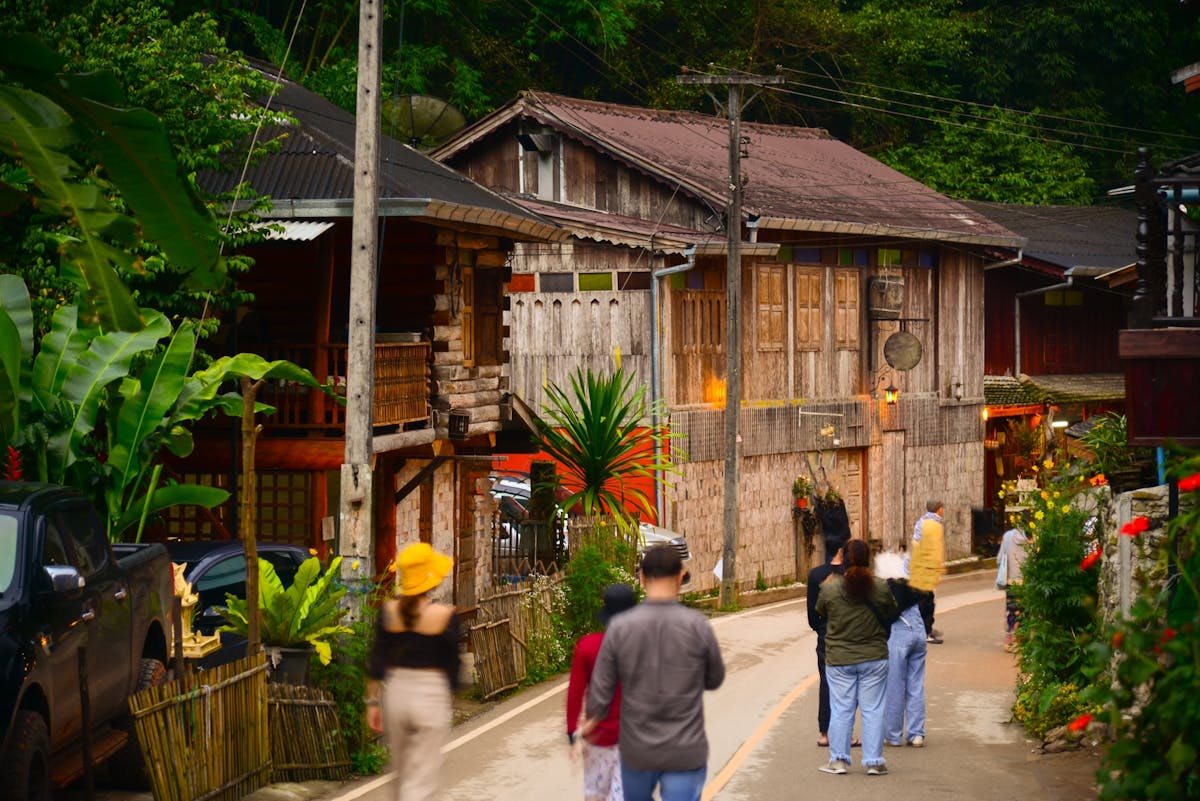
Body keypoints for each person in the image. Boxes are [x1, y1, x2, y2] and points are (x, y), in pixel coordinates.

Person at [585, 544, 726, 801]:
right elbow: (714, 678)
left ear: (641, 577)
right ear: (681, 575)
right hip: (685, 750)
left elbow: (599, 696)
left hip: (638, 751)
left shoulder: (620, 627)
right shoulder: (697, 626)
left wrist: (588, 730)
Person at [366, 543, 460, 801]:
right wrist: (449, 697)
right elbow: (453, 668)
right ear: (431, 581)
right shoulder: (445, 615)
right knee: (422, 780)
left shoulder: (388, 613)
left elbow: (377, 660)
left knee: (402, 771)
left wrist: (373, 703)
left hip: (396, 693)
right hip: (431, 693)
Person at [815, 538, 898, 776]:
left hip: (840, 659)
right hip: (874, 657)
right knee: (872, 709)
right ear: (868, 560)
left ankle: (839, 760)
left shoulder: (830, 587)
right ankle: (873, 762)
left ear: (843, 560)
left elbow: (820, 612)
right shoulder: (881, 586)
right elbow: (891, 611)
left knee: (841, 709)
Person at [566, 583, 637, 801]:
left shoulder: (587, 646)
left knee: (595, 795)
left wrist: (572, 734)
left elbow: (575, 693)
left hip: (598, 738)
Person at [806, 532, 848, 748]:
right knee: (848, 686)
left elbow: (812, 614)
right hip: (849, 634)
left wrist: (820, 628)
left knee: (826, 681)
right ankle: (845, 734)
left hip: (825, 634)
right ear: (841, 550)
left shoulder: (816, 575)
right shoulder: (850, 574)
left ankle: (825, 733)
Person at [882, 576, 928, 748]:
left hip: (899, 631)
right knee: (916, 685)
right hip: (918, 629)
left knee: (895, 685)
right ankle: (916, 734)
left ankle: (893, 735)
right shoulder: (916, 582)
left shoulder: (890, 584)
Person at [909, 500, 947, 644]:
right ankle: (925, 632)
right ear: (938, 509)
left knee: (922, 600)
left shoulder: (921, 522)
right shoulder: (935, 526)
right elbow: (935, 550)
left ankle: (923, 630)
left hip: (919, 567)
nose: (942, 510)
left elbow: (916, 544)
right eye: (941, 508)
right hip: (928, 569)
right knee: (927, 602)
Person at [996, 524, 1029, 651]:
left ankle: (1010, 641)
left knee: (1011, 610)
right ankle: (1023, 641)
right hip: (1027, 581)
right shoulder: (1034, 538)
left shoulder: (1008, 536)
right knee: (1025, 610)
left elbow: (999, 559)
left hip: (1011, 580)